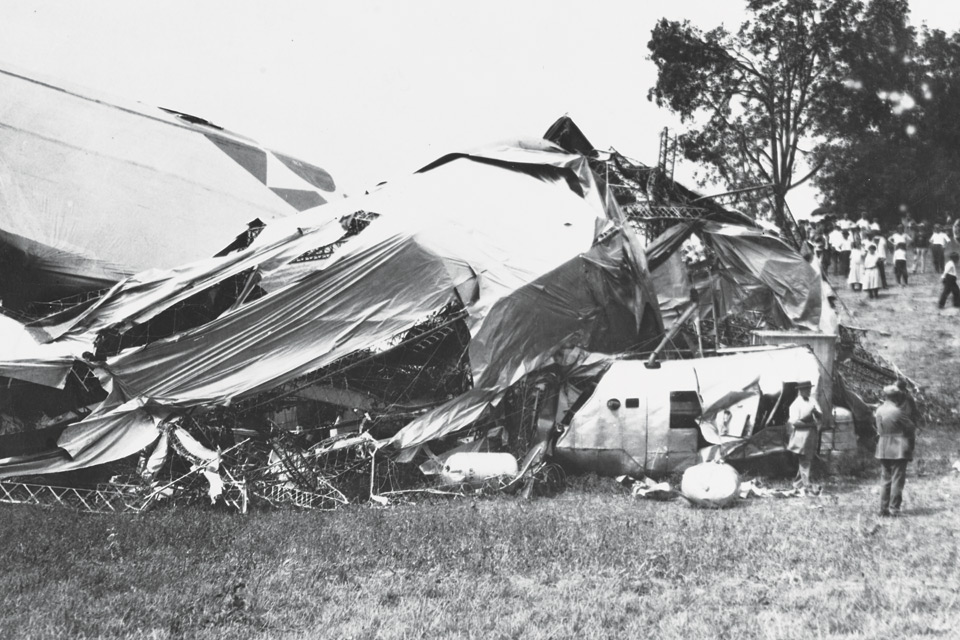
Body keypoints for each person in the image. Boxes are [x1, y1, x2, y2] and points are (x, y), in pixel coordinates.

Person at [874, 384, 916, 517]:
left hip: (883, 447)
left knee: (885, 478)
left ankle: (883, 509)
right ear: (897, 397)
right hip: (898, 447)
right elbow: (911, 427)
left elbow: (879, 429)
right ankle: (894, 509)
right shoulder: (898, 412)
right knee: (898, 479)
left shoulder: (879, 410)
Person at [788, 380, 822, 491]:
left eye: (809, 389)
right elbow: (795, 423)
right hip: (801, 437)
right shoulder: (795, 405)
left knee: (807, 460)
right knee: (805, 461)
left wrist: (817, 414)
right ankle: (806, 485)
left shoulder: (812, 401)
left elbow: (820, 415)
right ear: (800, 390)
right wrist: (810, 423)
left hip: (811, 435)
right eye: (806, 389)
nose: (808, 391)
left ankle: (798, 484)